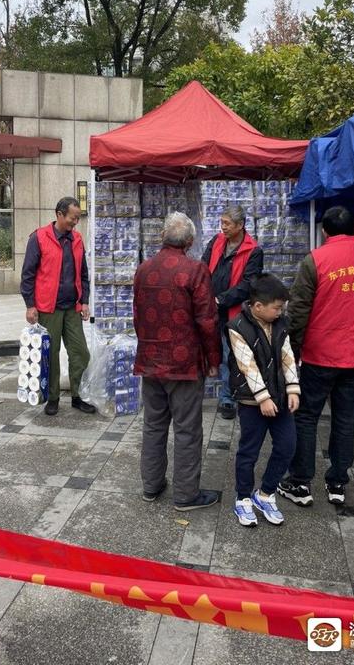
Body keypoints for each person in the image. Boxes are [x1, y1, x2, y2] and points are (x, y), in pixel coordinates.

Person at [277, 205, 354, 507]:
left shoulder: (315, 261)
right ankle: (338, 482)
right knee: (345, 419)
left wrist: (293, 350)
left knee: (306, 416)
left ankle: (300, 482)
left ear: (325, 231)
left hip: (319, 355)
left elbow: (298, 311)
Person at [134, 212, 222, 511]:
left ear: (162, 236)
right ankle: (185, 495)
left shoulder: (144, 269)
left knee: (153, 425)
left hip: (150, 360)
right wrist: (213, 359)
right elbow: (207, 320)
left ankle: (151, 486)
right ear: (190, 242)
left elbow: (137, 315)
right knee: (187, 430)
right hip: (184, 364)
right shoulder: (195, 270)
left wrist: (147, 348)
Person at [227, 274, 300, 527]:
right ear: (258, 306)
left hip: (280, 397)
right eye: (276, 308)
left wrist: (293, 388)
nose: (280, 312)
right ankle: (243, 497)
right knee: (249, 451)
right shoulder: (236, 327)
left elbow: (287, 356)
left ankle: (266, 493)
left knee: (287, 446)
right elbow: (247, 366)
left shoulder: (281, 324)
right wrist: (263, 398)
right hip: (252, 402)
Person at [20, 196, 95, 416]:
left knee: (80, 353)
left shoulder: (77, 239)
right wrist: (30, 305)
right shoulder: (39, 237)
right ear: (59, 214)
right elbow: (27, 274)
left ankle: (77, 396)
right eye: (73, 218)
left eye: (78, 218)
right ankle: (52, 398)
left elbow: (83, 274)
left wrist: (84, 301)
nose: (76, 222)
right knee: (50, 355)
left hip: (72, 308)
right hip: (48, 308)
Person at [202, 205, 263, 420]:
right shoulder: (217, 241)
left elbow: (248, 285)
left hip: (233, 312)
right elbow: (203, 267)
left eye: (227, 224)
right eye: (222, 222)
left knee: (230, 355)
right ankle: (195, 395)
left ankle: (227, 398)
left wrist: (220, 299)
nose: (223, 227)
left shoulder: (253, 250)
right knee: (206, 350)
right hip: (209, 308)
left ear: (240, 225)